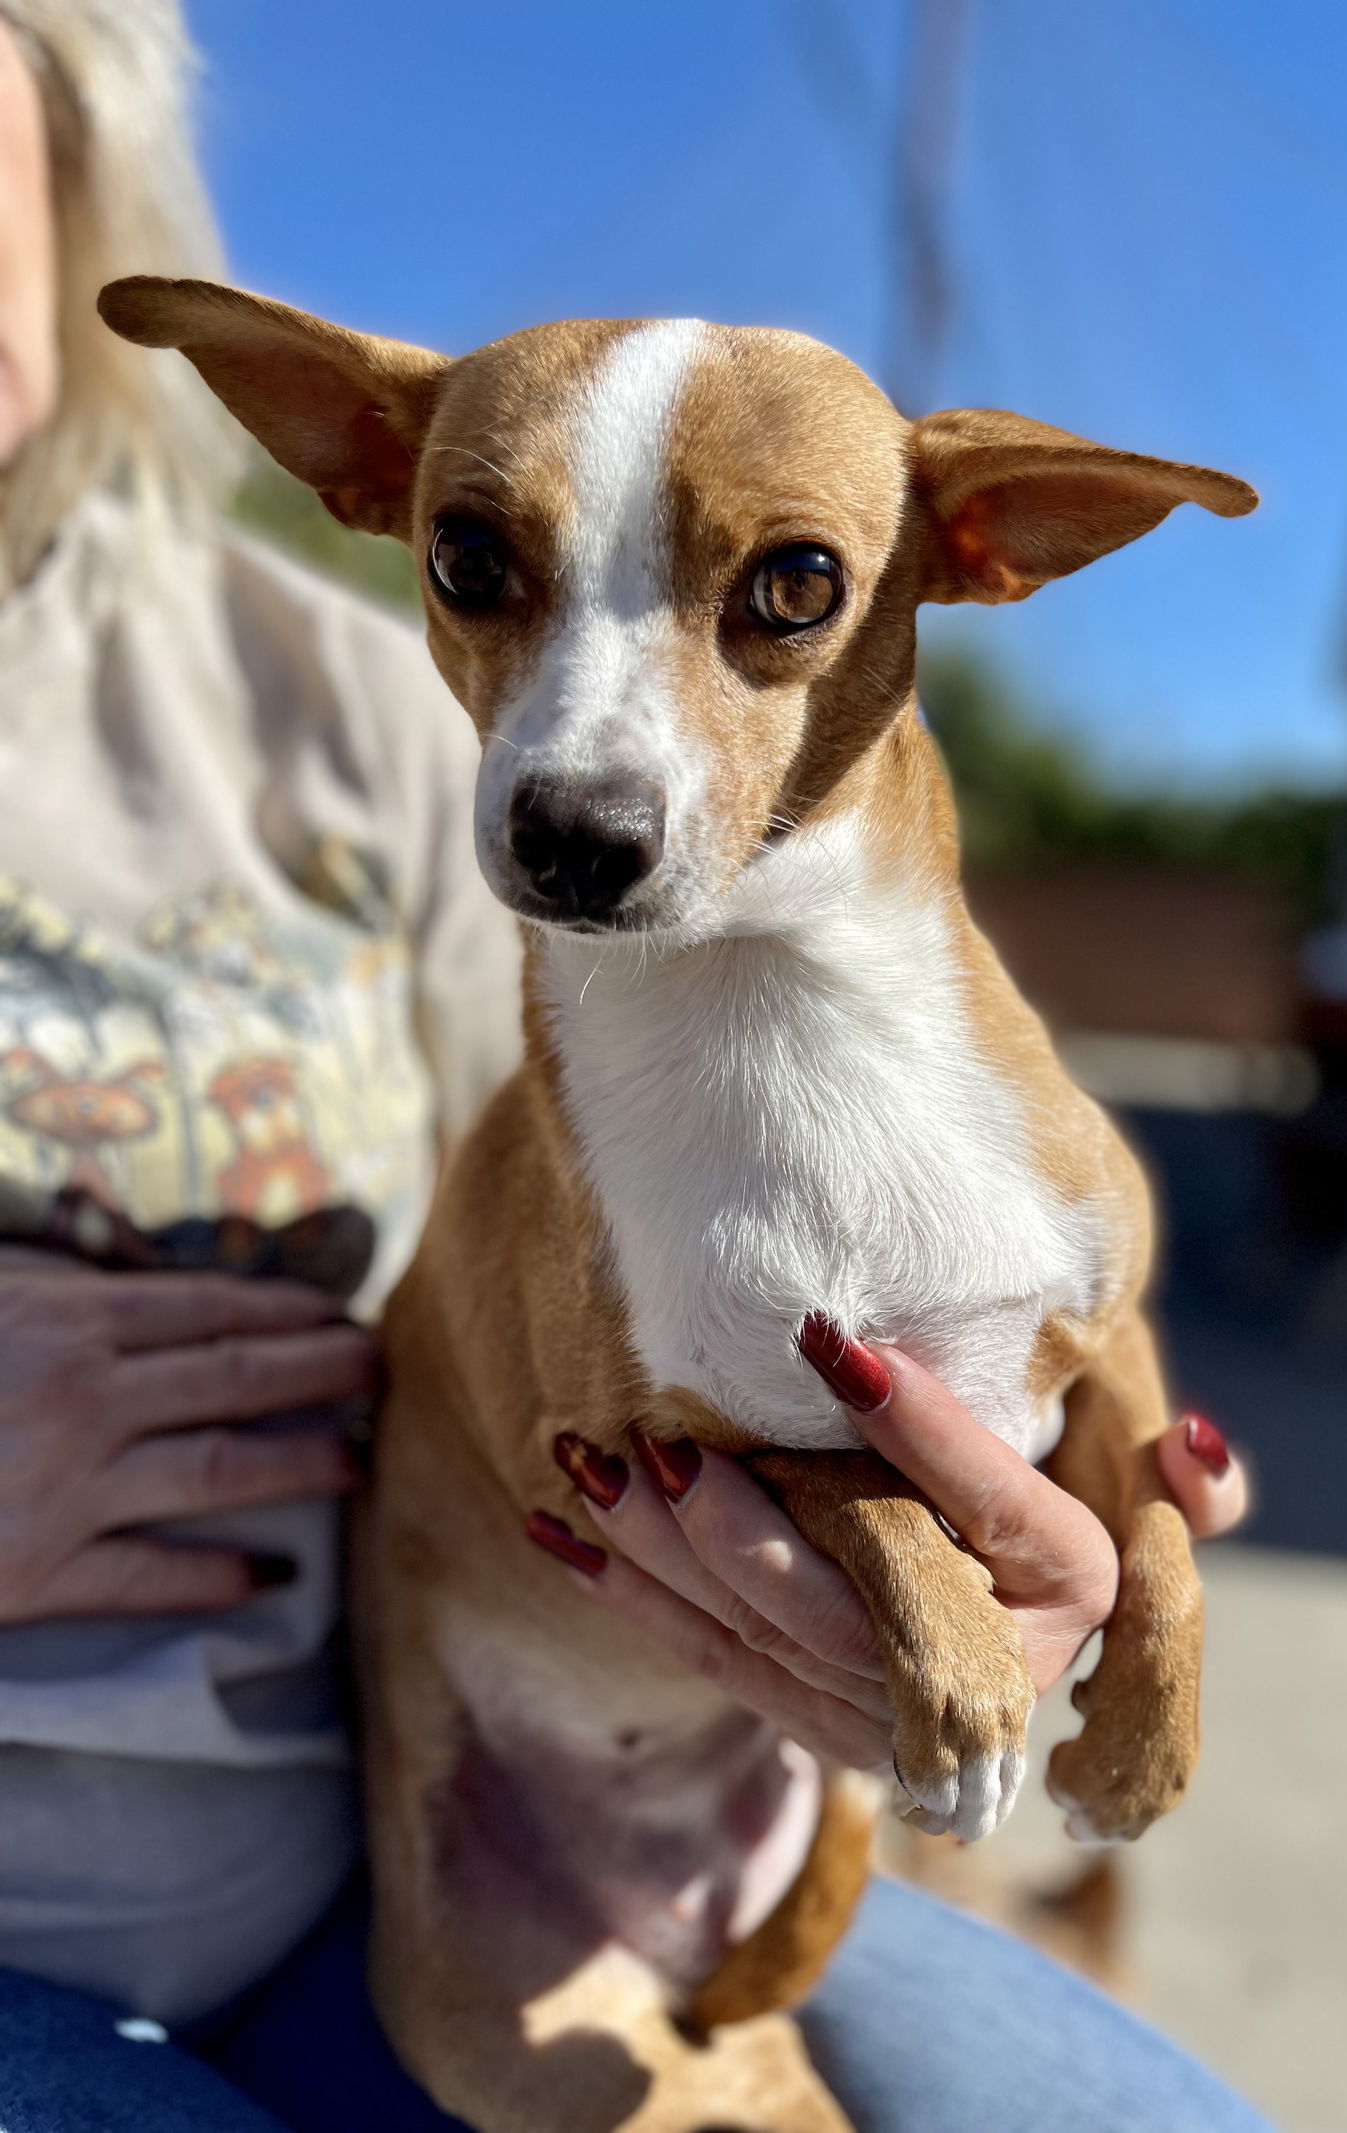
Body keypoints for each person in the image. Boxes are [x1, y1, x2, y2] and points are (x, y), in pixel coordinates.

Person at [0, 4, 1270, 2128]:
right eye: (485, 571)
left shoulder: (350, 701)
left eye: (773, 592)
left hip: (430, 1806)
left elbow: (585, 1243)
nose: (577, 749)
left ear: (67, 204)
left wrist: (1011, 1544)